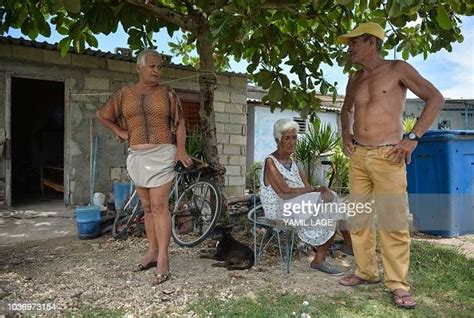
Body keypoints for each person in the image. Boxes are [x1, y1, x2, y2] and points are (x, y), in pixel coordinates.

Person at [336, 22, 444, 308]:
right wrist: (346, 134)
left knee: (392, 221)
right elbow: (345, 110)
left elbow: (435, 98)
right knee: (359, 218)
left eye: (354, 42)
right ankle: (366, 271)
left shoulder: (398, 69)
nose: (349, 48)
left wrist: (413, 137)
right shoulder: (354, 78)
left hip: (389, 156)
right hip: (358, 156)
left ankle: (397, 283)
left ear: (371, 41)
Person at [96, 49, 192, 285]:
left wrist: (181, 150)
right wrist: (119, 131)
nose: (157, 71)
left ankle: (163, 257)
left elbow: (179, 122)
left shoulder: (167, 93)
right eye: (152, 66)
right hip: (137, 155)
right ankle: (151, 251)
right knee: (147, 207)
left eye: (160, 67)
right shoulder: (124, 94)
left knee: (159, 206)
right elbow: (103, 115)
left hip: (162, 153)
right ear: (139, 68)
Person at [260, 118, 353, 275]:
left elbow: (306, 188)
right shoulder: (271, 162)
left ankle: (333, 252)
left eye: (294, 137)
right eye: (286, 138)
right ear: (278, 140)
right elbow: (285, 191)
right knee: (331, 205)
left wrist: (320, 189)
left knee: (332, 198)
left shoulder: (293, 162)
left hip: (296, 203)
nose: (291, 142)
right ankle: (330, 254)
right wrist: (313, 190)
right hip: (279, 207)